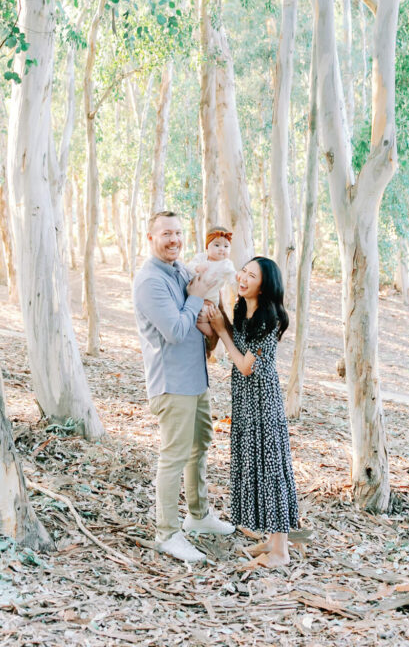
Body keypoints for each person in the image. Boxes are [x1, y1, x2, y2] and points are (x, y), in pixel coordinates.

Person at [133, 210, 235, 564]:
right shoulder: (150, 281)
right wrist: (195, 296)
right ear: (150, 238)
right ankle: (167, 532)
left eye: (177, 232)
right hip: (172, 384)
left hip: (195, 380)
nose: (174, 239)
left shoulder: (180, 270)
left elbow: (201, 312)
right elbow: (176, 331)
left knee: (200, 444)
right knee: (174, 455)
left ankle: (198, 515)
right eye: (165, 234)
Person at [206, 256, 299, 568]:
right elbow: (236, 342)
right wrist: (220, 313)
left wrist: (221, 329)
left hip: (264, 400)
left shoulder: (270, 317)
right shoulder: (241, 308)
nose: (243, 279)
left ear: (265, 285)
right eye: (243, 272)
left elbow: (247, 365)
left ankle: (281, 551)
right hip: (245, 401)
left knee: (272, 468)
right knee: (257, 463)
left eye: (251, 276)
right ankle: (271, 541)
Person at [186, 226, 237, 309]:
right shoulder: (201, 257)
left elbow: (233, 279)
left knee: (204, 317)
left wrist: (237, 289)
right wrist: (197, 268)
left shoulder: (226, 264)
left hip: (210, 301)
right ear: (207, 247)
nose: (221, 249)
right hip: (191, 296)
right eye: (217, 245)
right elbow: (188, 267)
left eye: (226, 246)